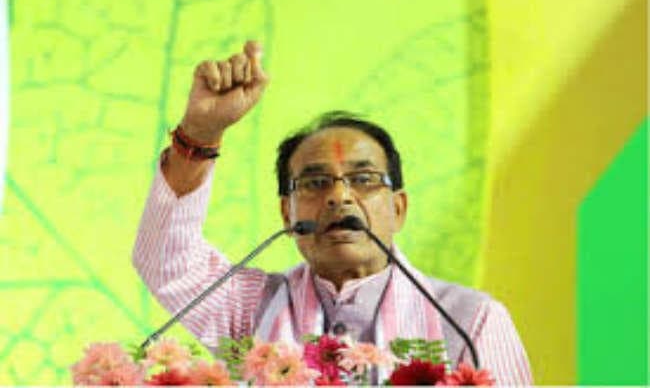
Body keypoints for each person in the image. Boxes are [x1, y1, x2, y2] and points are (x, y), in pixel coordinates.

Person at [133, 41, 533, 384]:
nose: (339, 196)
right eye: (315, 182)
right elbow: (169, 263)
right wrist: (200, 135)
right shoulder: (253, 309)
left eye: (363, 179)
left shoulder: (470, 321)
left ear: (398, 208)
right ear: (287, 215)